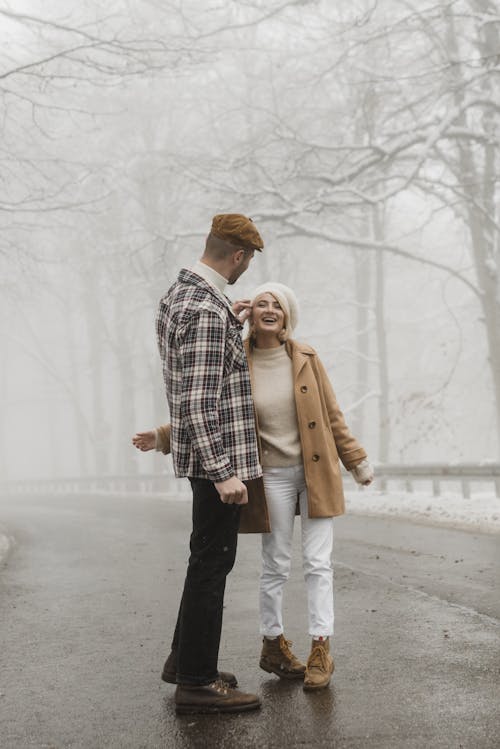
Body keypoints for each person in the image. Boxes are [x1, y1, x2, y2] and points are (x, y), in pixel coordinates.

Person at [135, 282, 373, 693]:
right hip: (271, 478)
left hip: (314, 474)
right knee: (276, 565)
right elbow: (209, 405)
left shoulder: (306, 357)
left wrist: (355, 460)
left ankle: (321, 647)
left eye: (276, 305)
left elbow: (332, 416)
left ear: (287, 315)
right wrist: (163, 436)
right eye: (261, 302)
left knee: (319, 564)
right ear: (252, 313)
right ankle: (273, 643)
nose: (268, 309)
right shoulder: (236, 356)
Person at [152, 213, 265, 715]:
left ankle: (186, 660)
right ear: (237, 256)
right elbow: (198, 402)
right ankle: (196, 683)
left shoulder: (185, 296)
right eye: (248, 261)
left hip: (201, 455)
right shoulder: (206, 312)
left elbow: (193, 369)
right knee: (212, 565)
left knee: (204, 558)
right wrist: (223, 472)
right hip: (213, 459)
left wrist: (229, 320)